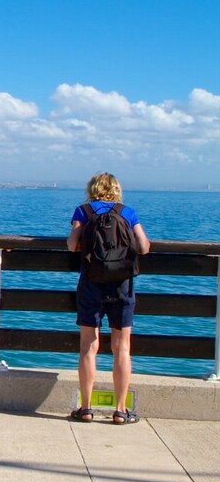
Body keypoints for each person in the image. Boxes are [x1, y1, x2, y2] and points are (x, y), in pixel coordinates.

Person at [66, 172, 150, 425]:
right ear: (116, 190)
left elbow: (72, 245)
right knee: (122, 348)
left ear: (91, 189)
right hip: (122, 285)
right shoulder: (127, 212)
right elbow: (144, 247)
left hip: (91, 283)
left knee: (88, 346)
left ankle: (87, 408)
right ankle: (121, 411)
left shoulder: (83, 211)